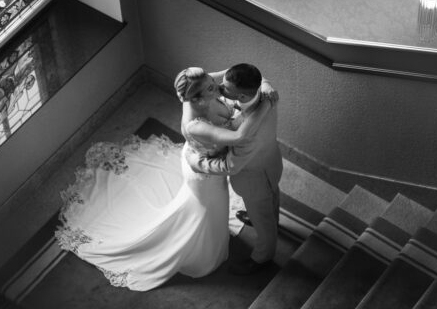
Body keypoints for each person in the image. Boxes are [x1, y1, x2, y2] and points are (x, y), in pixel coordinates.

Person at [52, 67, 256, 291]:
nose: (216, 87)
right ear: (196, 98)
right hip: (203, 174)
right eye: (210, 87)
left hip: (203, 162)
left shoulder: (197, 89)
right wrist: (263, 106)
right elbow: (239, 137)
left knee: (216, 207)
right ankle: (203, 254)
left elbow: (222, 77)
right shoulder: (196, 124)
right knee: (208, 209)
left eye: (211, 81)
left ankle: (213, 241)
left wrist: (256, 82)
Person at [189, 64, 282, 275]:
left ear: (241, 95)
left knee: (263, 222)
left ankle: (263, 257)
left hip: (255, 179)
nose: (220, 88)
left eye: (226, 87)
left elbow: (228, 166)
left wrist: (197, 163)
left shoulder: (248, 135)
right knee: (272, 195)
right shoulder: (264, 90)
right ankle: (272, 217)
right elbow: (264, 78)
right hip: (271, 160)